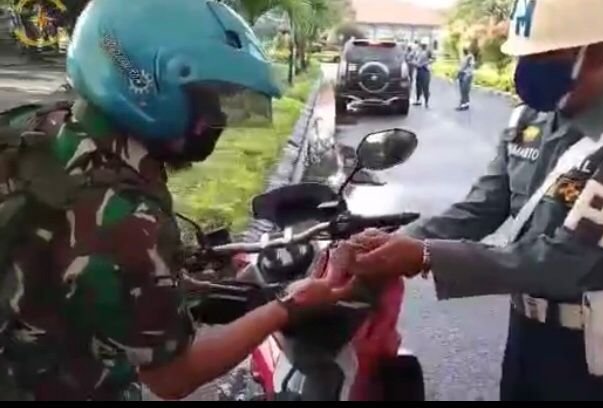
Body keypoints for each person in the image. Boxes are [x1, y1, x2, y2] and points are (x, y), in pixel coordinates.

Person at [0, 0, 352, 401]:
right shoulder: (128, 217)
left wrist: (197, 287)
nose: (217, 121)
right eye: (212, 101)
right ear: (149, 87)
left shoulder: (39, 125)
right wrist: (287, 307)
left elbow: (66, 261)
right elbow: (172, 378)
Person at [349, 0, 603, 401]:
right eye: (526, 54)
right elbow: (482, 206)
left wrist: (425, 255)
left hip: (601, 350)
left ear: (597, 49)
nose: (527, 67)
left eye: (544, 53)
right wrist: (398, 242)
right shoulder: (528, 121)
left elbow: (564, 263)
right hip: (527, 331)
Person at [412, 41, 434, 108]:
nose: (423, 46)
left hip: (425, 70)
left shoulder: (428, 51)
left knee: (425, 87)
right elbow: (413, 59)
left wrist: (427, 63)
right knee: (418, 86)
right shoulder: (417, 51)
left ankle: (426, 102)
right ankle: (418, 100)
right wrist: (415, 63)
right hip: (419, 70)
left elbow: (433, 59)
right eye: (422, 45)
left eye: (424, 45)